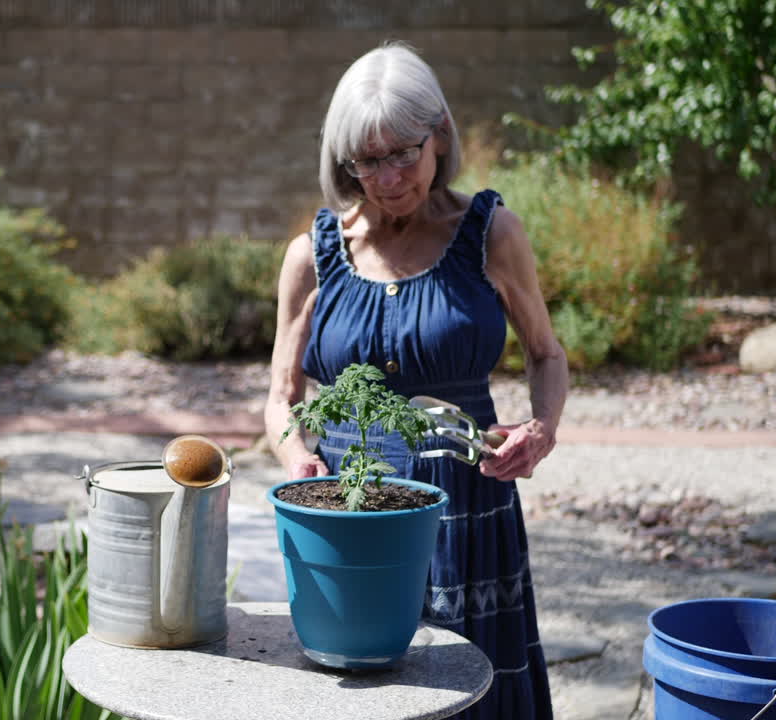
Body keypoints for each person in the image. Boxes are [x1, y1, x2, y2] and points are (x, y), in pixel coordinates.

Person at [265, 42, 567, 719]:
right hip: (346, 504)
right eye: (367, 160)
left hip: (466, 501)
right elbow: (282, 394)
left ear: (440, 137)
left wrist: (541, 429)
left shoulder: (492, 235)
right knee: (360, 686)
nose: (389, 176)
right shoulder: (312, 256)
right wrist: (296, 457)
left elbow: (546, 354)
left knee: (469, 682)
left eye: (403, 152)